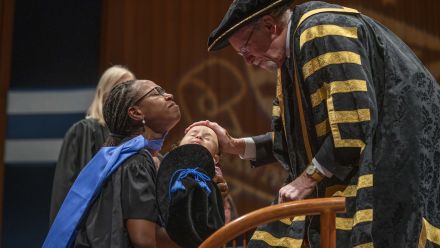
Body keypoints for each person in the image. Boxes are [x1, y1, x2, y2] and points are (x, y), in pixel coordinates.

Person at [188, 0, 440, 247]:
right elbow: (294, 143)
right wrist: (235, 145)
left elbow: (352, 128)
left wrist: (304, 181)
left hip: (400, 156)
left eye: (245, 49)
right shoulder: (292, 52)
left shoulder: (320, 30)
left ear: (269, 25)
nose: (248, 60)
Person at [44, 79, 181, 248]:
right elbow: (143, 240)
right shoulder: (135, 162)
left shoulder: (117, 159)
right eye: (156, 93)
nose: (169, 95)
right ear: (136, 112)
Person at [49, 65, 135, 225]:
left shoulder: (134, 140)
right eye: (120, 88)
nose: (126, 96)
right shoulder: (84, 132)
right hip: (88, 231)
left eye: (131, 90)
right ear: (104, 93)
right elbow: (65, 190)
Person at [180, 125, 239, 224]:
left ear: (215, 159)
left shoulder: (217, 183)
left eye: (207, 138)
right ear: (179, 147)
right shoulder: (161, 165)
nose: (198, 137)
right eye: (193, 134)